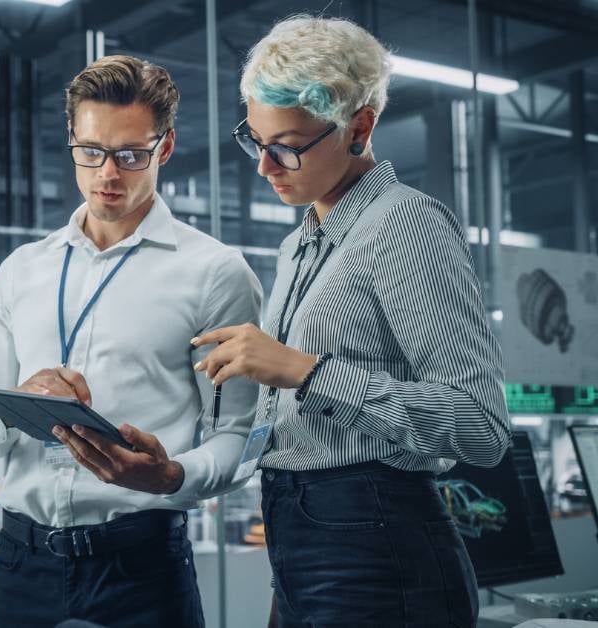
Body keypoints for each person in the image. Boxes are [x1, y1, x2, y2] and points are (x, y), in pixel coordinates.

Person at [191, 16, 511, 627]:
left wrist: (309, 371)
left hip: (379, 543)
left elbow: (481, 427)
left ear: (360, 126)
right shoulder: (300, 244)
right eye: (255, 140)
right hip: (304, 538)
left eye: (286, 144)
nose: (265, 166)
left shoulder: (404, 225)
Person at [0, 55, 262, 628]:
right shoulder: (22, 270)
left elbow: (240, 436)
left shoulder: (215, 273)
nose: (107, 175)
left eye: (130, 155)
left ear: (164, 149)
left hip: (141, 567)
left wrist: (171, 477)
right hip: (24, 566)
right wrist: (17, 403)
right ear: (72, 139)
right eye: (90, 152)